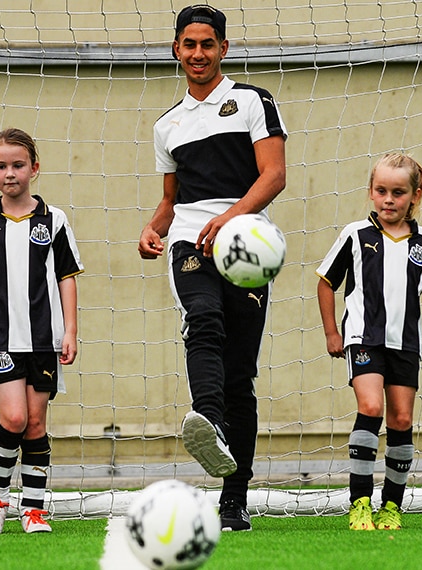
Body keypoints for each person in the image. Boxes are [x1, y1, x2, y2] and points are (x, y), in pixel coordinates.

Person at [137, 4, 287, 532]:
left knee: (240, 375)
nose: (197, 53)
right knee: (202, 317)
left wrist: (229, 218)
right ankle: (211, 421)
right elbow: (172, 200)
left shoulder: (252, 101)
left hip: (248, 242)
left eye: (207, 44)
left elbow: (273, 176)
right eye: (188, 44)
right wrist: (152, 228)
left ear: (223, 49)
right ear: (175, 50)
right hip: (189, 243)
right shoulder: (167, 125)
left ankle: (233, 499)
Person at [316, 153, 422, 531]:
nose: (388, 200)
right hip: (363, 337)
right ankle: (360, 503)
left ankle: (391, 506)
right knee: (370, 405)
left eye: (398, 192)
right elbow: (325, 282)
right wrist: (333, 332)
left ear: (414, 195)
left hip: (405, 344)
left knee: (401, 418)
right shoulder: (354, 235)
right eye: (381, 191)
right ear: (370, 192)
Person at [0, 128, 83, 535]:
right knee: (12, 418)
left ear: (34, 168)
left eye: (18, 165)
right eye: (2, 166)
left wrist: (71, 332)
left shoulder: (54, 219)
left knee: (35, 424)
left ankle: (33, 509)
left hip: (44, 339)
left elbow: (67, 277)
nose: (10, 173)